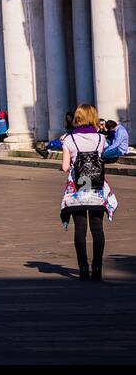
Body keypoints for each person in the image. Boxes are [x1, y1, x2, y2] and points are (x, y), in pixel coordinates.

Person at [60, 103, 117, 281]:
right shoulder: (101, 139)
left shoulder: (69, 139)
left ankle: (83, 268)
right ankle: (97, 267)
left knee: (80, 230)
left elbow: (64, 168)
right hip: (97, 188)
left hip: (78, 190)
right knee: (97, 229)